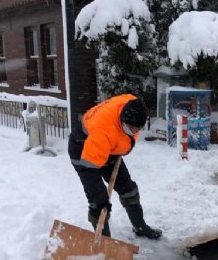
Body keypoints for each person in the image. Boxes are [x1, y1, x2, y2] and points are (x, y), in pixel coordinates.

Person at [68, 94, 162, 240]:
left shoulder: (130, 104)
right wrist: (101, 197)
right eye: (129, 128)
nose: (133, 131)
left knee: (129, 190)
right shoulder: (103, 130)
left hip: (110, 149)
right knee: (97, 201)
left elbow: (126, 133)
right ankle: (103, 243)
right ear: (122, 121)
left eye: (135, 129)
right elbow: (89, 169)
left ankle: (140, 227)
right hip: (82, 151)